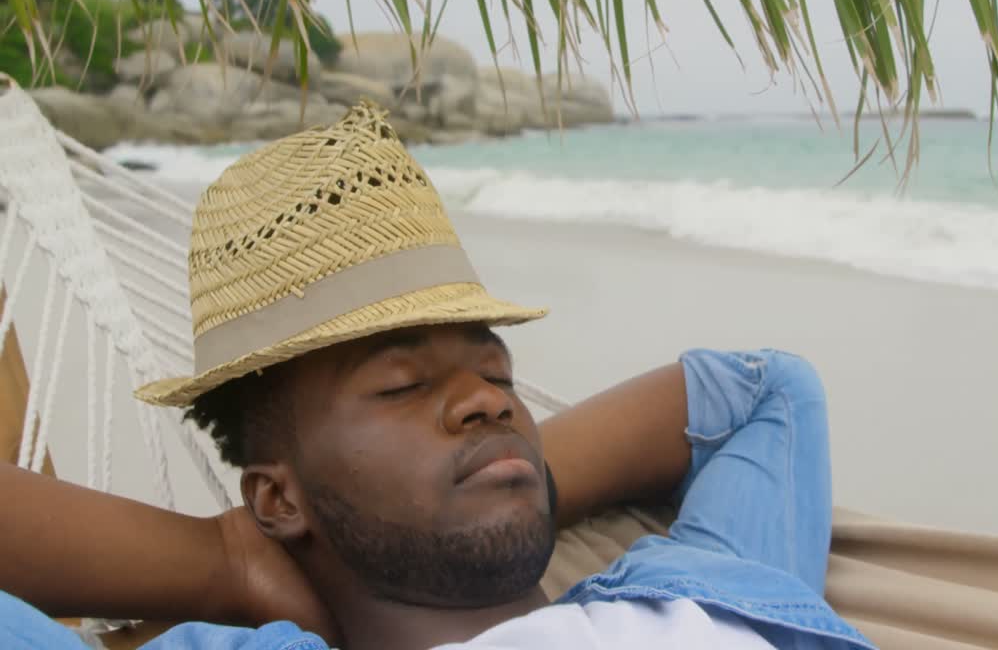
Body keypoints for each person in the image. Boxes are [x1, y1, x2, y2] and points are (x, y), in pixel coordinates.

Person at [0, 103, 875, 649]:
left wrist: (496, 483)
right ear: (275, 500)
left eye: (495, 371)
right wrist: (227, 561)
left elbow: (762, 389)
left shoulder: (704, 597)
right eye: (401, 386)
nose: (488, 400)